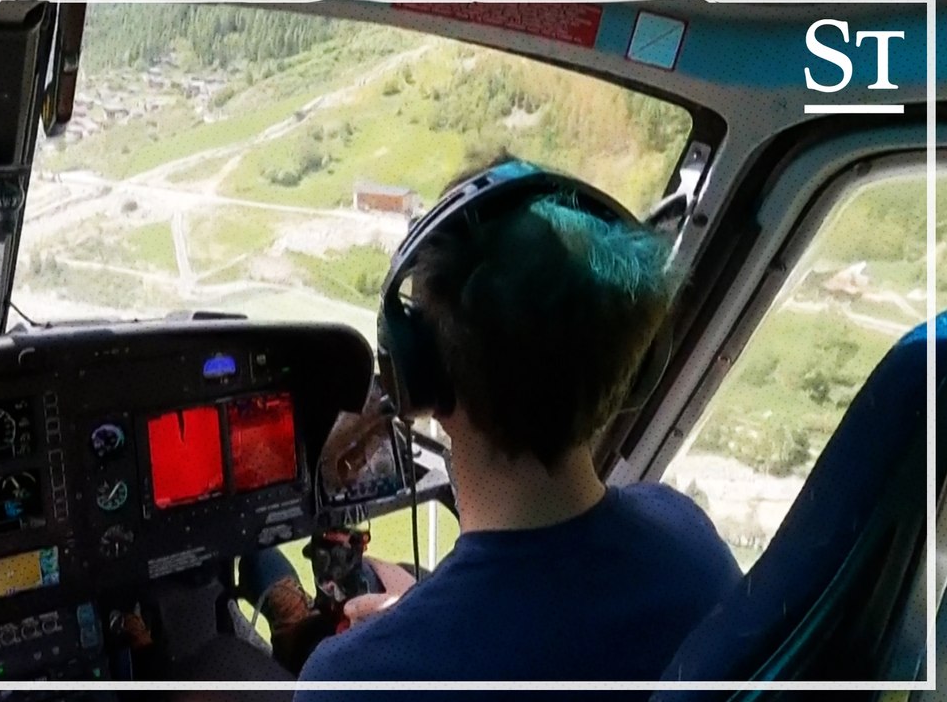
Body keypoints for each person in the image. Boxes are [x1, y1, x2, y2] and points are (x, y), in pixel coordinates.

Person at [292, 155, 743, 698]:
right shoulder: (691, 544)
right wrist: (425, 614)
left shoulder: (352, 682)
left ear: (420, 374)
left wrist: (412, 633)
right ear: (634, 368)